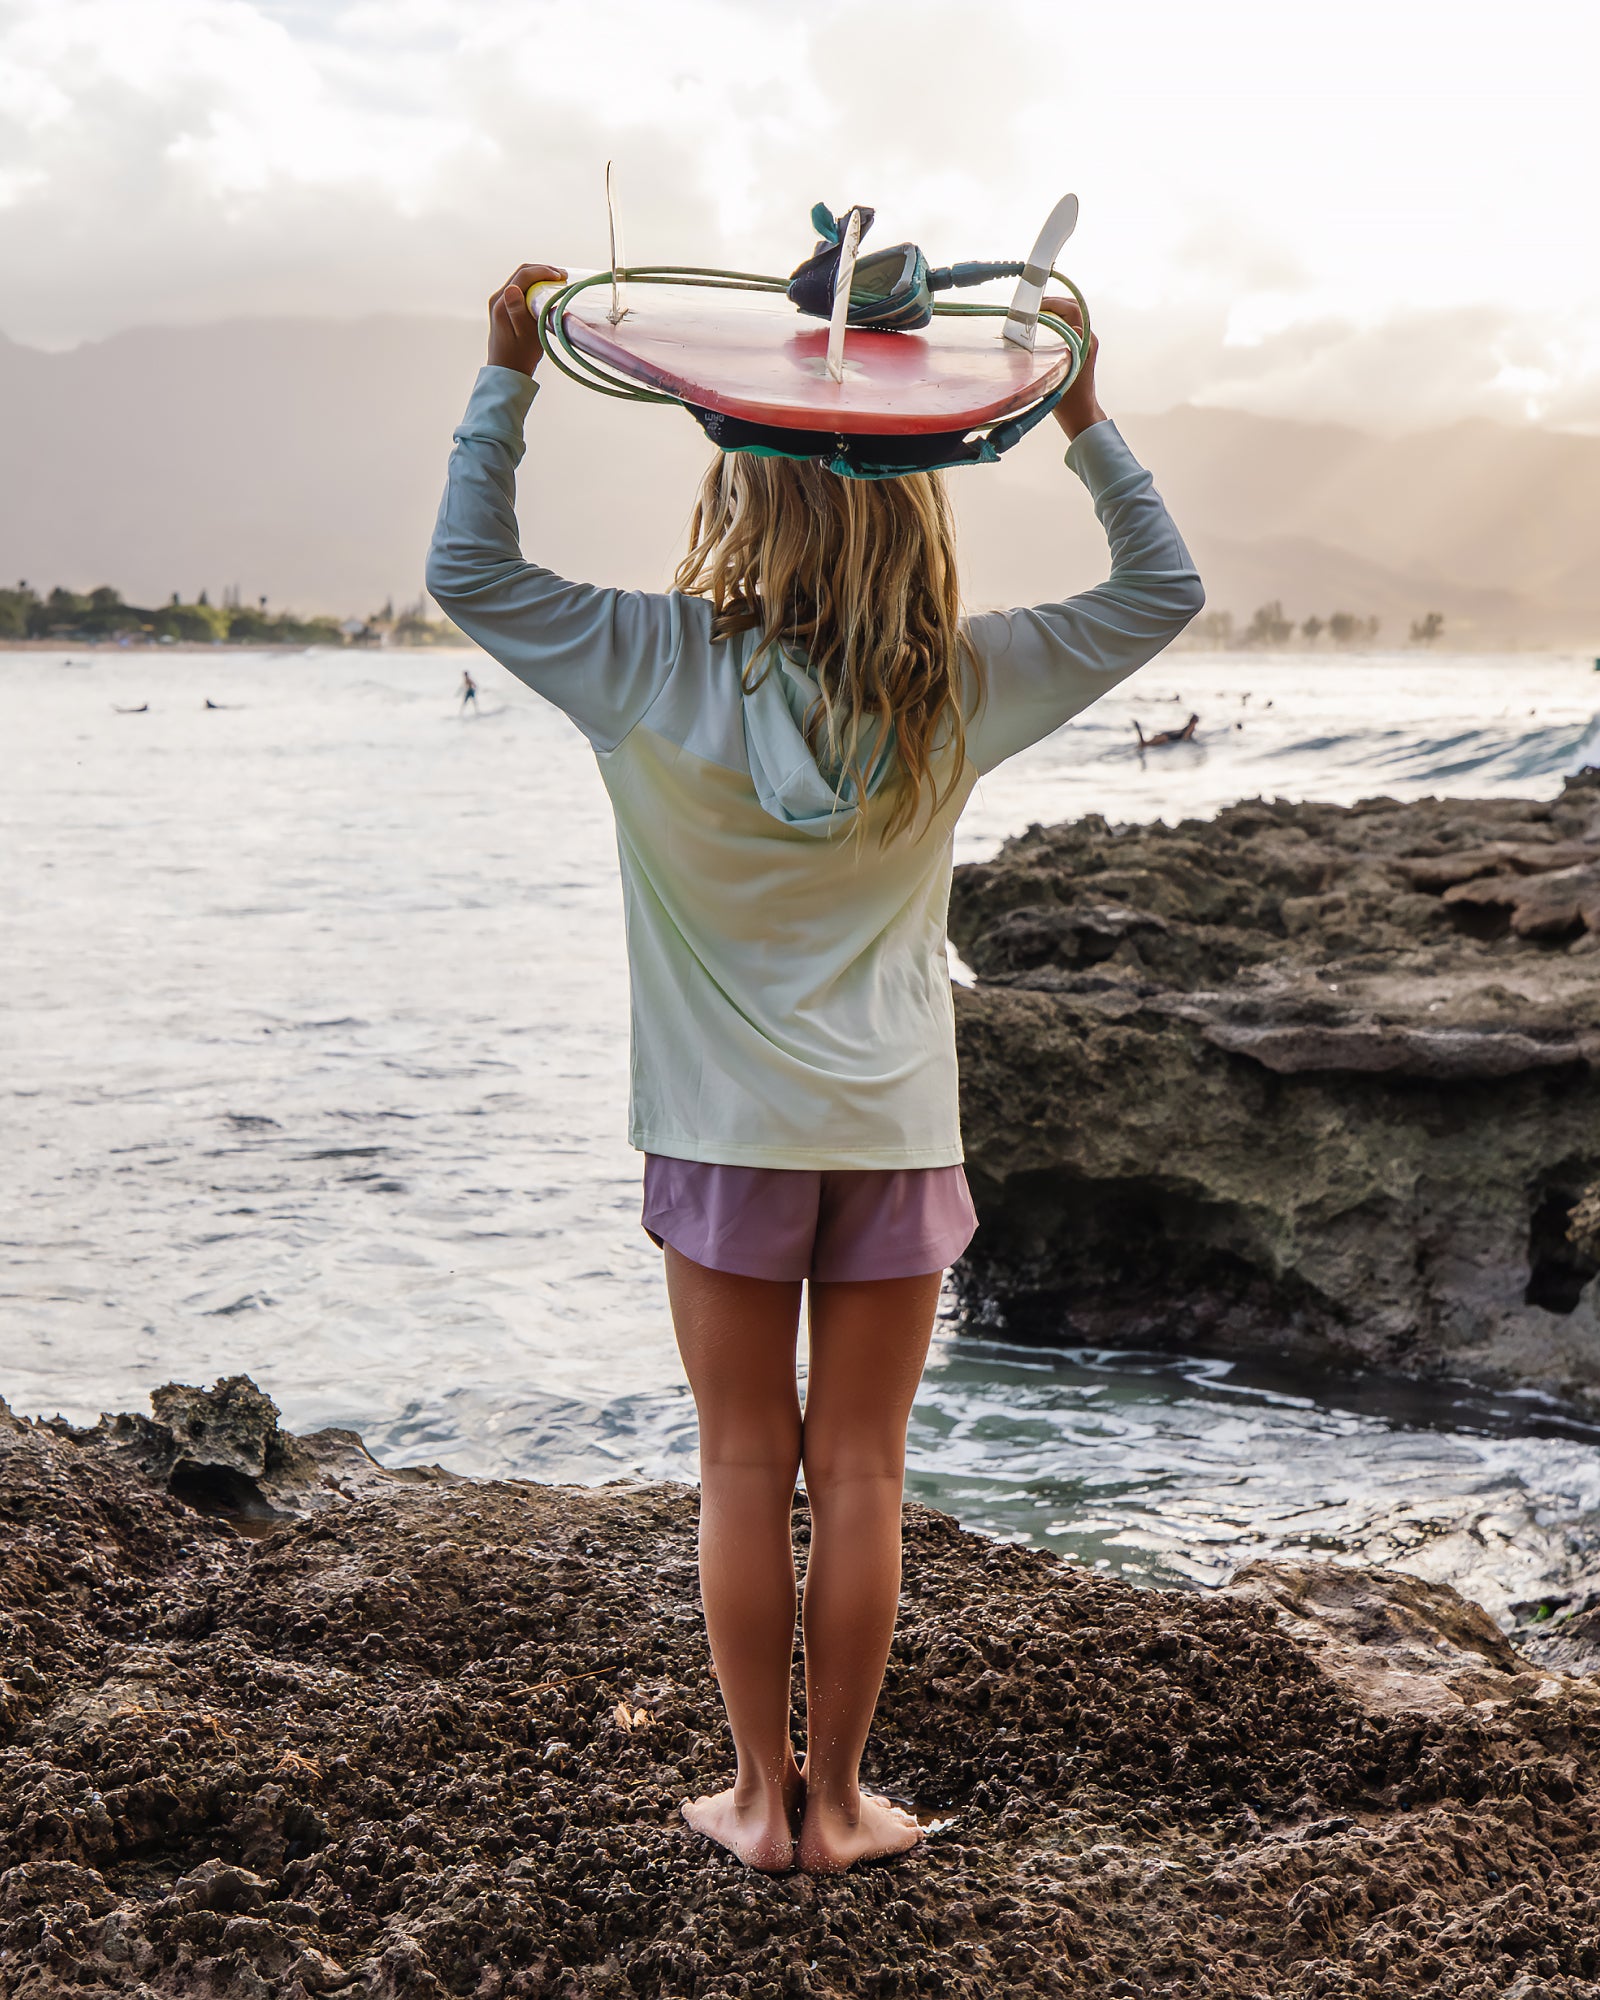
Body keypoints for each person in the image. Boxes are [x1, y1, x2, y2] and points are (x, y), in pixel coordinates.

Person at [426, 261, 1203, 1875]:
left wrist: (510, 374)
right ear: (910, 507)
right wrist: (1077, 410)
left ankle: (753, 1798)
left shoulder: (647, 662)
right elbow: (1161, 591)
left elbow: (466, 571)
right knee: (858, 1466)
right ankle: (839, 1802)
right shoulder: (956, 684)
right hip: (895, 1133)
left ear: (739, 492)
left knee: (739, 1458)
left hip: (723, 1138)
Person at [1134, 711, 1199, 747]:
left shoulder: (1189, 726)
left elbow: (1183, 734)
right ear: (1195, 721)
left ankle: (1138, 729)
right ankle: (1138, 730)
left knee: (1146, 744)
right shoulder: (1191, 727)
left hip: (1168, 735)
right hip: (1168, 737)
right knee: (1145, 744)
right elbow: (1185, 737)